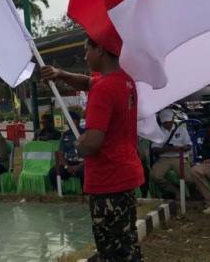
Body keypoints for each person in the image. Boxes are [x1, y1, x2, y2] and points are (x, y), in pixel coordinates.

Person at [41, 36, 144, 262]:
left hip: (107, 180)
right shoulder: (124, 81)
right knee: (127, 245)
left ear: (100, 50)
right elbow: (88, 82)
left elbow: (92, 144)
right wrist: (61, 74)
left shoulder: (104, 90)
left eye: (87, 50)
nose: (85, 56)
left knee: (111, 251)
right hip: (125, 175)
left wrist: (80, 143)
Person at [150, 108, 193, 199]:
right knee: (155, 175)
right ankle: (174, 190)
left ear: (173, 119)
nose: (167, 124)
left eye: (169, 121)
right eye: (165, 122)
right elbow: (154, 149)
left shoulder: (181, 129)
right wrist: (166, 149)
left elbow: (189, 145)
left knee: (190, 179)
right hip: (165, 158)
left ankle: (191, 194)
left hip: (179, 156)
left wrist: (182, 148)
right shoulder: (158, 131)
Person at [48, 111, 85, 190]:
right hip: (68, 163)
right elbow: (61, 155)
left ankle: (85, 194)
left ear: (78, 121)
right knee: (52, 173)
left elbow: (91, 155)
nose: (69, 123)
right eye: (68, 121)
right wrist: (67, 166)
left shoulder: (85, 134)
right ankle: (61, 192)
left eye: (72, 120)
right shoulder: (65, 135)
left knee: (86, 173)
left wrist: (78, 167)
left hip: (82, 163)